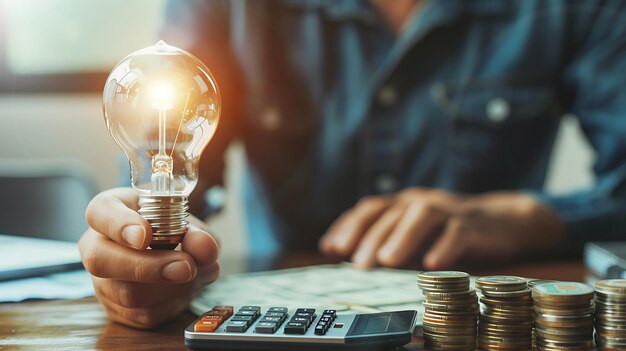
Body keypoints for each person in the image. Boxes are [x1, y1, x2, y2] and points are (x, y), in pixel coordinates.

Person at [79, 0, 626, 328]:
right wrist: (141, 249)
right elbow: (164, 164)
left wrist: (532, 218)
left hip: (479, 322)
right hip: (272, 318)